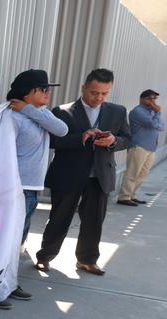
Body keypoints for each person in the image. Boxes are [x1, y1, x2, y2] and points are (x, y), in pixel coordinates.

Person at [34, 68, 130, 276]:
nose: (99, 97)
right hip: (68, 174)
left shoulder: (118, 111)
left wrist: (114, 141)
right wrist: (81, 136)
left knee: (94, 221)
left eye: (105, 93)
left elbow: (128, 140)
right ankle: (45, 256)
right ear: (84, 88)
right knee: (59, 218)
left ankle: (87, 260)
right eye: (95, 92)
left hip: (101, 176)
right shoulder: (62, 111)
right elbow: (52, 141)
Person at [0, 69, 69, 310]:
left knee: (18, 242)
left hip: (31, 189)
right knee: (4, 242)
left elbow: (62, 130)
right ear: (28, 92)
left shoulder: (36, 115)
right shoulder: (11, 118)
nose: (48, 93)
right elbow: (0, 154)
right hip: (16, 189)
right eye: (43, 89)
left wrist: (29, 110)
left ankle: (8, 284)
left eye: (48, 89)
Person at [117, 89, 163, 206]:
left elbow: (161, 126)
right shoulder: (137, 111)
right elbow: (153, 124)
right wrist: (157, 114)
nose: (152, 100)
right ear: (141, 99)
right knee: (133, 172)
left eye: (154, 98)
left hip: (151, 146)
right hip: (139, 146)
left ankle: (132, 195)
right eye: (149, 98)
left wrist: (154, 118)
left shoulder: (152, 111)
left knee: (142, 174)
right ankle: (124, 197)